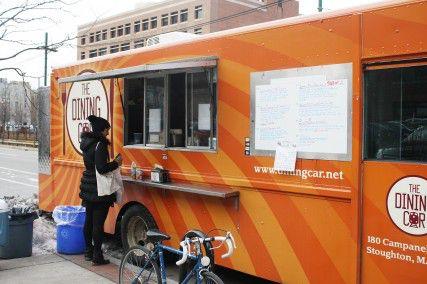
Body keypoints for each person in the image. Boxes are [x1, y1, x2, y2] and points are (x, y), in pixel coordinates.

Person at [79, 115, 122, 265]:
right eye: (107, 130)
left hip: (88, 184)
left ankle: (88, 252)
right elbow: (102, 168)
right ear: (102, 130)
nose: (108, 133)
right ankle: (97, 256)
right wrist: (116, 163)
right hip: (99, 189)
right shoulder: (100, 144)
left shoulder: (86, 143)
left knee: (89, 221)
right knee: (98, 223)